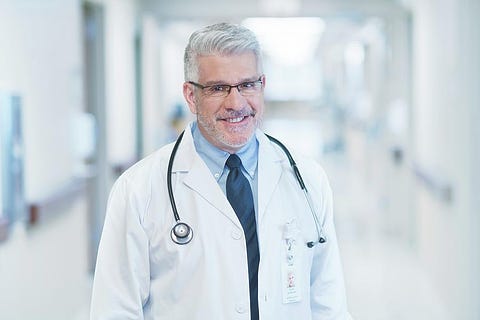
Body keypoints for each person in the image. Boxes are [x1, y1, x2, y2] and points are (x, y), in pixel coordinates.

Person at [90, 22, 352, 320]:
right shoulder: (138, 189)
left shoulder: (307, 179)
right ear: (191, 95)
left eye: (247, 85)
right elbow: (114, 310)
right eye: (218, 88)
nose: (236, 103)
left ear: (262, 85)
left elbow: (328, 304)